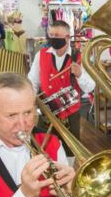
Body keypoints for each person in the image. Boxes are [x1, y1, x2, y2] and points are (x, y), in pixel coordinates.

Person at [28, 20, 95, 165]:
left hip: (70, 113)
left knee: (70, 152)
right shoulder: (41, 55)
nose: (53, 38)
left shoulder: (80, 57)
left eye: (57, 35)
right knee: (44, 150)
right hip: (47, 113)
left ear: (67, 37)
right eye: (51, 34)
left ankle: (67, 177)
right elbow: (32, 81)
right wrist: (30, 105)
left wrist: (80, 75)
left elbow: (90, 87)